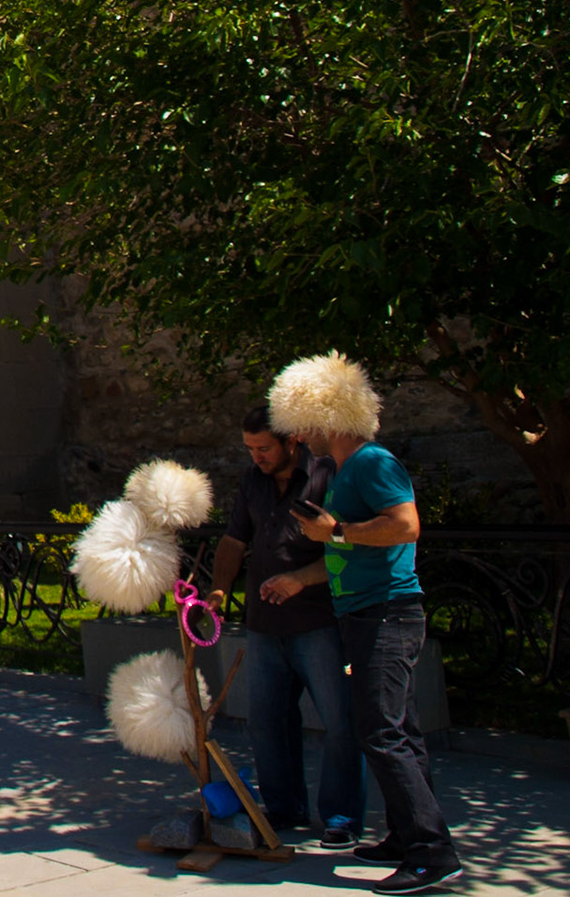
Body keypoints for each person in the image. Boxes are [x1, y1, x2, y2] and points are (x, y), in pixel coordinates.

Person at [268, 352, 464, 895]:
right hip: (367, 614)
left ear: (329, 416)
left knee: (380, 732)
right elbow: (346, 539)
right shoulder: (347, 470)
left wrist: (335, 533)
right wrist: (318, 555)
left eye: (303, 423)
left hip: (387, 615)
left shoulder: (372, 462)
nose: (299, 436)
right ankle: (407, 838)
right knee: (398, 730)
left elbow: (405, 526)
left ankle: (432, 853)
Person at [207, 405, 364, 849]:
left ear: (291, 441)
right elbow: (234, 539)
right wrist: (220, 590)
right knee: (267, 721)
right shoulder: (252, 481)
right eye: (249, 449)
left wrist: (300, 580)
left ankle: (341, 817)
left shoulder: (329, 476)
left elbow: (347, 544)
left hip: (320, 621)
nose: (256, 456)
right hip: (264, 622)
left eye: (264, 448)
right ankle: (282, 806)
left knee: (339, 722)